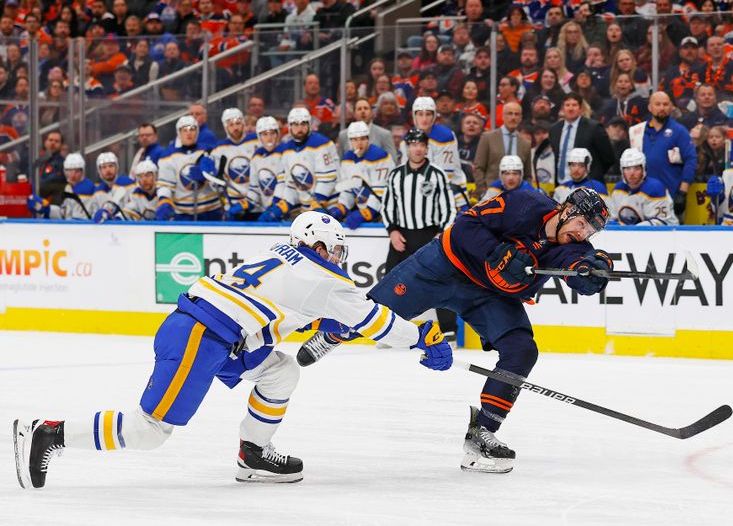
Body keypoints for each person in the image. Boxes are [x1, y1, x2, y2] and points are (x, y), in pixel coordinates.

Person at [13, 211, 453, 489]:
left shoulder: (281, 254)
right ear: (319, 246)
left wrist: (328, 321)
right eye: (336, 250)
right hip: (201, 339)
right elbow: (373, 320)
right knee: (149, 432)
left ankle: (253, 454)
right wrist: (422, 339)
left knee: (281, 372)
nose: (339, 259)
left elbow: (290, 308)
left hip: (217, 335)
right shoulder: (323, 276)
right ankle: (49, 432)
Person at [299, 186, 612, 473]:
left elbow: (581, 265)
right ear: (568, 210)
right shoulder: (525, 203)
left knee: (521, 350)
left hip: (488, 295)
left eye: (592, 231)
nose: (585, 234)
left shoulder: (572, 245)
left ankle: (482, 435)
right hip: (439, 267)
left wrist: (595, 270)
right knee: (370, 315)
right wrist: (495, 252)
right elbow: (466, 226)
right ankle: (334, 333)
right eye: (583, 224)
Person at [380, 128, 458, 343]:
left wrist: (442, 232)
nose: (417, 148)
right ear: (407, 147)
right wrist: (392, 231)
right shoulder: (396, 175)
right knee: (391, 283)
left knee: (441, 279)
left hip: (430, 235)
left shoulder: (437, 174)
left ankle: (449, 328)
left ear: (426, 148)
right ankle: (386, 330)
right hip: (402, 237)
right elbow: (387, 207)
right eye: (413, 144)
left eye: (421, 144)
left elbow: (449, 207)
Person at [259, 107, 340, 221]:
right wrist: (282, 205)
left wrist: (318, 202)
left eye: (303, 124)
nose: (300, 128)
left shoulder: (321, 144)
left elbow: (328, 179)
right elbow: (291, 184)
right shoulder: (287, 149)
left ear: (309, 125)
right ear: (290, 126)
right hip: (306, 211)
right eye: (295, 124)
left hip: (328, 207)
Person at [628, 92, 697, 217]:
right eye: (658, 104)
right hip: (641, 197)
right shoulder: (637, 131)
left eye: (665, 104)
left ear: (671, 107)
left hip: (670, 197)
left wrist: (682, 192)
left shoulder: (679, 131)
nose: (662, 108)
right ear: (650, 107)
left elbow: (691, 160)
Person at [399, 97, 467, 209]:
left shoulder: (445, 136)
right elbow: (407, 174)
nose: (424, 119)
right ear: (414, 116)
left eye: (428, 114)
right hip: (420, 193)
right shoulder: (406, 139)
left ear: (434, 115)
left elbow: (444, 177)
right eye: (420, 114)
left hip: (452, 194)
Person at [329, 121, 393, 230]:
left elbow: (380, 190)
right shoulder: (347, 159)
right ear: (350, 142)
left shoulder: (380, 157)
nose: (359, 143)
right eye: (355, 139)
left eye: (363, 139)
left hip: (386, 213)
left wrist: (368, 212)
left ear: (368, 139)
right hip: (362, 209)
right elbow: (348, 188)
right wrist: (341, 207)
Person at [156, 115, 221, 221]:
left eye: (192, 129)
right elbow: (165, 185)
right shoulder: (168, 156)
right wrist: (164, 200)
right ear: (179, 133)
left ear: (197, 131)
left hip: (211, 211)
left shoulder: (209, 152)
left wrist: (210, 176)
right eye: (184, 130)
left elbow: (220, 186)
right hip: (183, 214)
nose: (189, 133)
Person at [549, 93, 615, 184]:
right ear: (563, 108)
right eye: (567, 105)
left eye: (574, 105)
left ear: (580, 108)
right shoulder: (554, 129)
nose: (571, 108)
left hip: (588, 184)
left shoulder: (594, 128)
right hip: (560, 185)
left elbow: (608, 157)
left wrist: (594, 175)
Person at [472, 102, 532, 199]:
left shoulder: (525, 143)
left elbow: (528, 174)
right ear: (503, 116)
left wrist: (526, 194)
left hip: (518, 197)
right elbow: (478, 168)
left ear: (521, 118)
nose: (513, 117)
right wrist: (484, 192)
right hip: (492, 194)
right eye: (510, 113)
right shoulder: (488, 137)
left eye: (517, 114)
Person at [211, 108, 259, 220]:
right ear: (225, 127)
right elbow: (216, 183)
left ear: (243, 124)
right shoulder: (218, 149)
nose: (235, 128)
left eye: (238, 123)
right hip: (233, 206)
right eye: (231, 124)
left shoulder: (256, 142)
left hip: (257, 205)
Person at [609, 148, 678, 226]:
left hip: (666, 234)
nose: (632, 173)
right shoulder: (618, 189)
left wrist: (631, 230)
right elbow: (613, 219)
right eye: (627, 169)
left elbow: (660, 222)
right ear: (622, 171)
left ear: (643, 169)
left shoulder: (655, 188)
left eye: (636, 168)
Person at [27, 153, 95, 220]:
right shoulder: (69, 187)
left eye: (77, 171)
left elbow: (76, 219)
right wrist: (47, 209)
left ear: (82, 171)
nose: (73, 175)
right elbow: (65, 213)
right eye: (69, 170)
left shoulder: (86, 188)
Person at [246, 116, 284, 221]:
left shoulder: (286, 152)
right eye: (265, 134)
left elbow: (285, 185)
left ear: (278, 134)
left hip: (286, 212)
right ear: (259, 137)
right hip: (267, 211)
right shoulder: (256, 156)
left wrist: (275, 206)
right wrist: (246, 203)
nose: (269, 138)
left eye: (272, 133)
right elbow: (254, 188)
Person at [91, 152, 136, 223]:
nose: (108, 170)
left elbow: (134, 207)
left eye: (111, 166)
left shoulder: (127, 184)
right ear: (99, 171)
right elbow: (94, 215)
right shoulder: (98, 191)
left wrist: (118, 217)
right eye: (104, 167)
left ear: (117, 167)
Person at [34, 130, 65, 203]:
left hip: (50, 202)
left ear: (61, 145)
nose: (53, 143)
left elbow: (49, 182)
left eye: (56, 141)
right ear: (45, 143)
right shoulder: (39, 160)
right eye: (50, 140)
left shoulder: (62, 163)